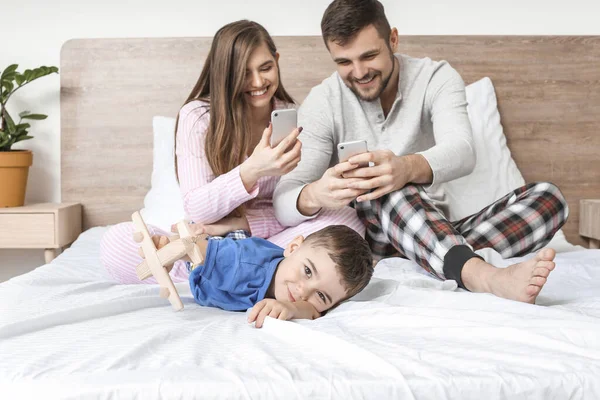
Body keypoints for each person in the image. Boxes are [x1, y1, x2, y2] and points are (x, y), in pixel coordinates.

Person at [273, 0, 569, 304]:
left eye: (369, 56)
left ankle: (429, 257)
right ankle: (480, 275)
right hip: (371, 238)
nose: (359, 72)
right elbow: (283, 201)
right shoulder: (323, 101)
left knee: (550, 199)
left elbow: (463, 150)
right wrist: (315, 194)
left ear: (393, 40)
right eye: (344, 62)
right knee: (381, 185)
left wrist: (406, 167)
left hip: (434, 226)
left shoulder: (435, 78)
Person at [100, 20, 365, 284]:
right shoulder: (198, 117)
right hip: (204, 240)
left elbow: (287, 207)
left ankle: (217, 277)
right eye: (244, 73)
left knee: (346, 221)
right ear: (224, 74)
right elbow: (199, 210)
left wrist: (241, 225)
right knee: (119, 242)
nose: (258, 82)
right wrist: (253, 170)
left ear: (277, 60)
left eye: (266, 68)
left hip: (265, 239)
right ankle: (252, 276)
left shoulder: (292, 116)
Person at [149, 225, 373, 328]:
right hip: (213, 263)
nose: (304, 291)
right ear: (293, 246)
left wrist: (293, 309)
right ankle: (213, 228)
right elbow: (199, 251)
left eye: (322, 295)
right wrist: (168, 248)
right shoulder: (244, 264)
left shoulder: (308, 303)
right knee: (213, 249)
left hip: (247, 249)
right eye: (307, 271)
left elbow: (312, 311)